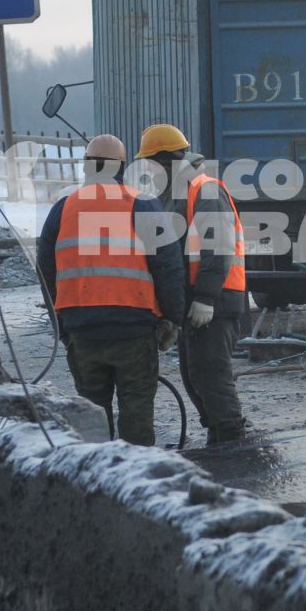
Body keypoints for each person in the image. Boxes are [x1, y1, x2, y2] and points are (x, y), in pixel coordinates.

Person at [36, 133, 185, 446]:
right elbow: (168, 264)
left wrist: (62, 322)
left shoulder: (63, 208)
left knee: (92, 416)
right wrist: (173, 317)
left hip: (82, 331)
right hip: (133, 329)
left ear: (86, 166)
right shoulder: (141, 203)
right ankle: (136, 480)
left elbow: (46, 269)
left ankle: (95, 480)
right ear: (121, 165)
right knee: (137, 412)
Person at [138, 122, 248, 446]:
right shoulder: (175, 193)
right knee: (194, 375)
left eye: (151, 163)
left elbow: (219, 246)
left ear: (166, 160)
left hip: (217, 300)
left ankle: (231, 440)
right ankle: (220, 434)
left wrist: (207, 298)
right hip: (198, 301)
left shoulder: (205, 189)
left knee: (211, 373)